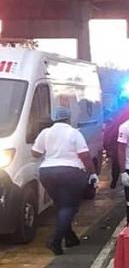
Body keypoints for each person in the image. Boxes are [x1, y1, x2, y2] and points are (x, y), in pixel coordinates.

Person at [32, 106, 98, 255]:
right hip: (70, 172)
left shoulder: (45, 133)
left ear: (55, 118)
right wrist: (92, 174)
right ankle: (55, 241)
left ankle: (70, 238)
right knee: (70, 207)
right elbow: (85, 156)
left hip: (47, 172)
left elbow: (35, 153)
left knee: (62, 206)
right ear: (68, 118)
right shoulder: (74, 133)